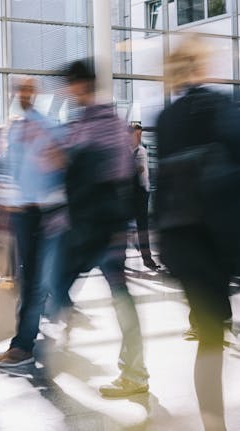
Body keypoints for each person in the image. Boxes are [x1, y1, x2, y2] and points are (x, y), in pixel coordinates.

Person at [155, 35, 240, 430]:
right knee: (213, 330)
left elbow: (162, 187)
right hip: (222, 236)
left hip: (183, 241)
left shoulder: (166, 118)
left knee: (209, 337)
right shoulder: (222, 107)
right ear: (201, 66)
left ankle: (214, 426)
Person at [54, 59, 149, 398]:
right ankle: (131, 370)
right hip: (91, 226)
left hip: (102, 230)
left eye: (71, 83)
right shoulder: (84, 122)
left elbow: (116, 174)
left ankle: (134, 373)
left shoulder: (103, 122)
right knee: (65, 286)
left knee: (117, 297)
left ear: (81, 84)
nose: (67, 90)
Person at [0, 77, 68, 369]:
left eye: (28, 90)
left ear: (36, 94)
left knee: (34, 281)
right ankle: (30, 336)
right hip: (23, 213)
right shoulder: (17, 128)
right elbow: (10, 170)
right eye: (19, 90)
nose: (22, 94)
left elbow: (59, 166)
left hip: (42, 212)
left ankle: (23, 345)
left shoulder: (46, 127)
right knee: (31, 279)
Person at [130, 123, 160, 271]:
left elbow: (144, 172)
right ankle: (146, 257)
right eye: (136, 133)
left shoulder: (141, 150)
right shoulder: (132, 152)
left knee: (141, 226)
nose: (138, 136)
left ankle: (146, 257)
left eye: (139, 134)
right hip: (135, 193)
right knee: (140, 227)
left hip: (142, 192)